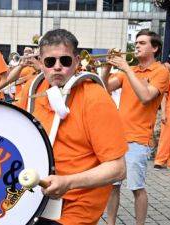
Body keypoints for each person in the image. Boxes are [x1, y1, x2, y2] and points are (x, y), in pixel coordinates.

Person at [16, 29, 127, 225]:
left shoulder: (95, 98)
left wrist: (68, 182)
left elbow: (117, 169)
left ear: (76, 61)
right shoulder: (32, 89)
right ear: (40, 62)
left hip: (77, 203)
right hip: (36, 194)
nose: (57, 67)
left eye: (65, 61)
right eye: (50, 62)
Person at [102, 29, 169, 225]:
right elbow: (105, 88)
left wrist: (127, 68)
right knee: (112, 186)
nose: (136, 46)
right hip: (118, 137)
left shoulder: (161, 72)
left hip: (139, 138)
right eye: (136, 43)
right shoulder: (131, 71)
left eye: (142, 43)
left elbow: (146, 97)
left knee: (136, 187)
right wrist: (107, 67)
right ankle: (110, 222)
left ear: (154, 48)